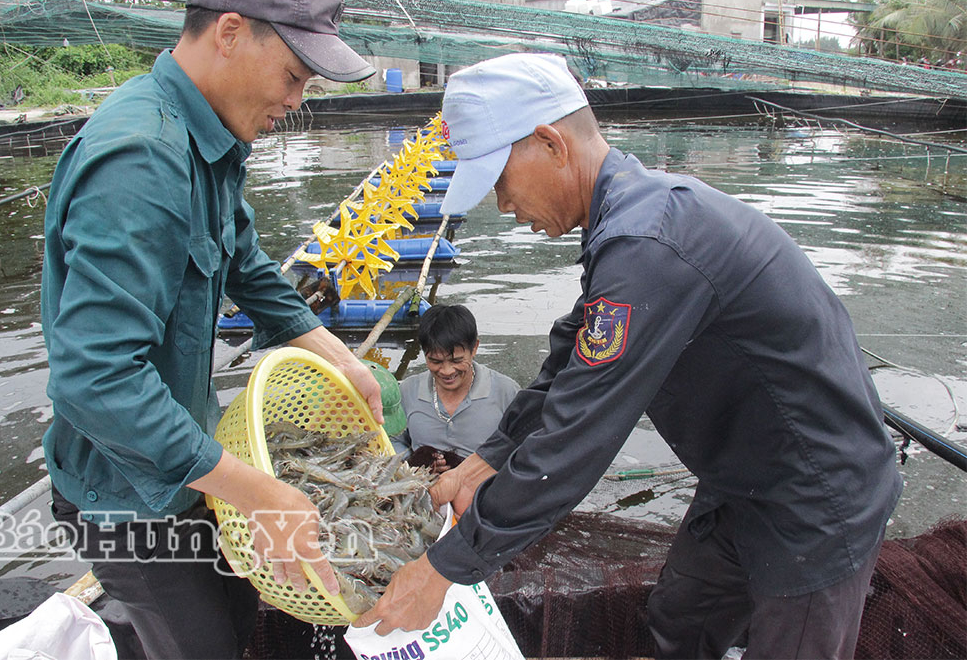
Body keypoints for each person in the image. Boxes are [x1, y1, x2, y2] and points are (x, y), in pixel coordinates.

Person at [354, 53, 902, 660]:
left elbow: (579, 433)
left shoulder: (649, 243)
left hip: (816, 494)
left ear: (550, 143)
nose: (504, 206)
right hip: (740, 479)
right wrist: (480, 465)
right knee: (680, 622)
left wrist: (447, 567)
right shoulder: (626, 222)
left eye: (500, 182)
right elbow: (567, 367)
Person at [41, 0, 380, 657]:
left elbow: (243, 261)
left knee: (238, 622)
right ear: (229, 32)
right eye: (294, 75)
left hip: (191, 468)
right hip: (126, 497)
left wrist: (336, 355)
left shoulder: (210, 138)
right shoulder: (142, 158)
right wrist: (259, 491)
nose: (296, 100)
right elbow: (94, 377)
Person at [396, 304, 519, 473]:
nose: (447, 372)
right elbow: (392, 441)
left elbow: (524, 450)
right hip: (421, 487)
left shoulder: (506, 392)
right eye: (436, 361)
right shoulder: (407, 391)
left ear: (474, 348)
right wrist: (411, 464)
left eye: (456, 361)